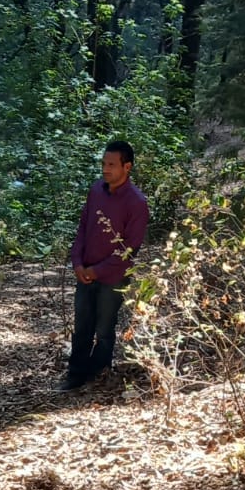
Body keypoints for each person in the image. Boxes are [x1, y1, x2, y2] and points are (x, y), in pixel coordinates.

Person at [62, 139, 150, 391]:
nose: (105, 169)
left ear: (127, 167)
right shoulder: (96, 191)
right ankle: (75, 376)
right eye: (103, 164)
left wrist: (97, 270)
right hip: (85, 273)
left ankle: (99, 378)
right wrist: (78, 262)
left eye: (112, 164)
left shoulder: (136, 202)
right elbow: (83, 229)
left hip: (113, 278)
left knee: (104, 330)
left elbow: (129, 249)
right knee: (82, 328)